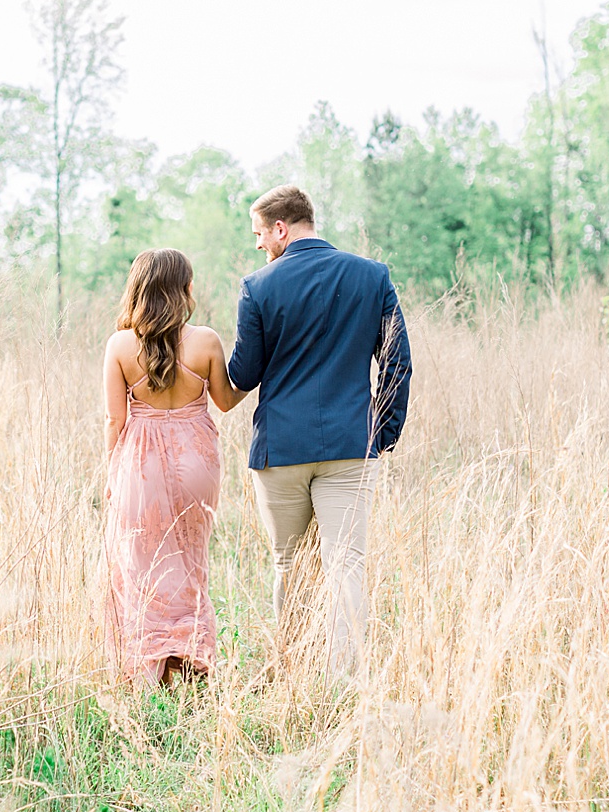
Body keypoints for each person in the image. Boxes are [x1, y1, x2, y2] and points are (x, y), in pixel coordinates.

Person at [227, 185, 412, 680]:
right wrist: (382, 433)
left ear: (281, 228)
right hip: (352, 445)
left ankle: (293, 671)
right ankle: (342, 679)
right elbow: (397, 362)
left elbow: (243, 376)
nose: (259, 245)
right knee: (347, 563)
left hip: (281, 451)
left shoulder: (258, 287)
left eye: (260, 234)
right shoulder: (372, 277)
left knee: (289, 564)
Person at [101, 248, 247, 686]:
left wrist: (111, 474)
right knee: (189, 561)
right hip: (196, 464)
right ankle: (189, 666)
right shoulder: (205, 341)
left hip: (138, 466)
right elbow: (224, 400)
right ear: (184, 288)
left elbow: (114, 419)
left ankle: (149, 669)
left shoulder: (121, 345)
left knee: (139, 565)